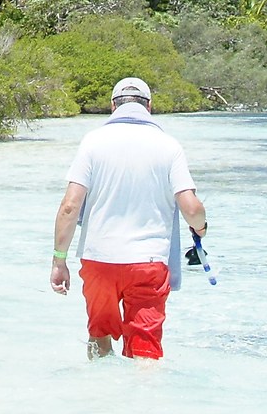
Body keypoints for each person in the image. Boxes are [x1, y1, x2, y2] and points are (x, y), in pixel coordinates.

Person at [48, 77, 208, 362]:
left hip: (99, 260)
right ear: (149, 106)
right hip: (148, 263)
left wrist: (59, 260)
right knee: (145, 352)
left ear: (112, 106)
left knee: (99, 338)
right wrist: (201, 229)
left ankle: (101, 399)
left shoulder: (92, 142)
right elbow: (192, 208)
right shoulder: (169, 146)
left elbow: (70, 206)